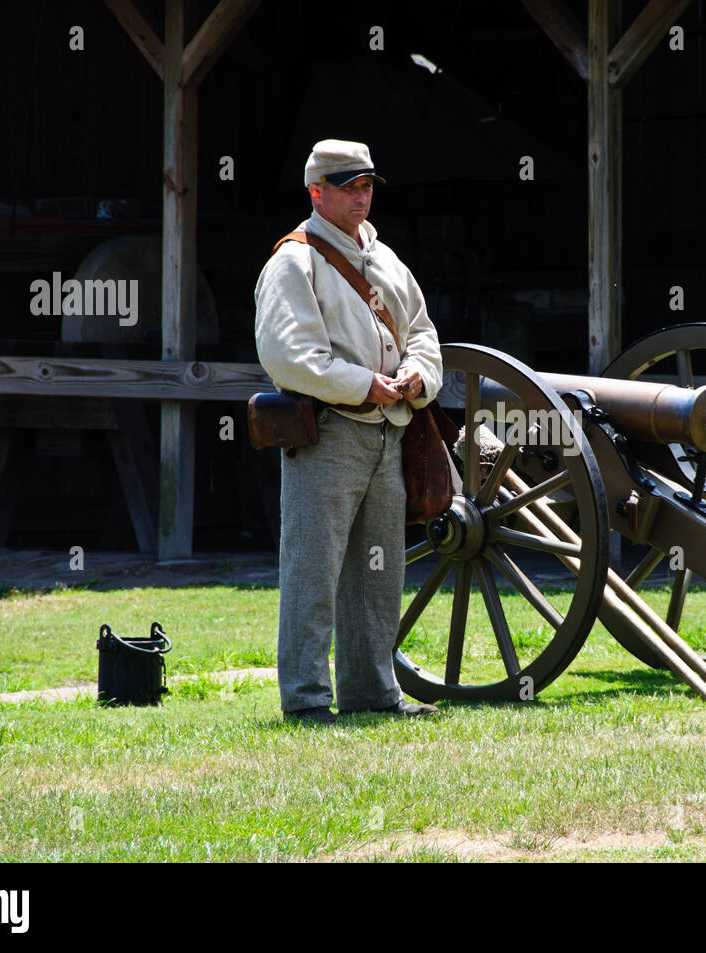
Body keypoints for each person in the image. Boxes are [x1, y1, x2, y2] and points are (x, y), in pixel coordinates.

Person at [254, 139, 443, 725]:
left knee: (380, 570)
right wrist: (364, 384)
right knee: (313, 568)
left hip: (390, 433)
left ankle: (372, 692)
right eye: (349, 186)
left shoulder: (386, 260)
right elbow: (290, 357)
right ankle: (308, 701)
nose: (362, 196)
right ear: (317, 192)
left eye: (367, 186)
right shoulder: (295, 260)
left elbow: (424, 332)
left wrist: (418, 373)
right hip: (331, 432)